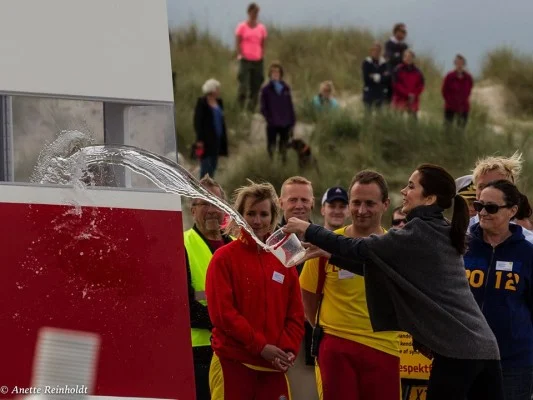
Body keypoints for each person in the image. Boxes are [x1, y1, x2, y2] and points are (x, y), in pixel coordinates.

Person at [284, 164, 504, 400]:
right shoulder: (439, 228)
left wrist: (309, 228)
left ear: (429, 198)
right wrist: (331, 255)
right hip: (485, 350)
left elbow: (360, 248)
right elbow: (382, 271)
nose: (404, 191)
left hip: (459, 352)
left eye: (411, 186)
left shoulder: (418, 231)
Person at [301, 171, 401, 400]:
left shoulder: (396, 249)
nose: (361, 210)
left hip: (384, 349)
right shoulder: (324, 244)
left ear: (385, 204)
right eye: (356, 202)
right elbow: (308, 298)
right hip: (337, 349)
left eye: (370, 203)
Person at [205, 181, 305, 399]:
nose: (257, 221)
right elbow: (223, 314)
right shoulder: (223, 258)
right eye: (251, 213)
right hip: (233, 363)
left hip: (273, 368)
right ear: (239, 215)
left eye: (263, 214)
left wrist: (287, 350)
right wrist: (260, 347)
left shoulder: (283, 259)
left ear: (273, 218)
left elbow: (296, 314)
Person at [465, 180, 533, 400]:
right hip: (464, 357)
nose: (482, 213)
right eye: (478, 206)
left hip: (513, 362)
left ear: (512, 210)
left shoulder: (527, 253)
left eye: (491, 208)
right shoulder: (461, 247)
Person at [184, 176, 233, 400]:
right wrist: (227, 323)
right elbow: (184, 307)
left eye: (217, 203)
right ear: (193, 210)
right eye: (205, 203)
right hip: (200, 353)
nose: (213, 209)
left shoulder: (236, 246)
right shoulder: (181, 244)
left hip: (236, 351)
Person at [278, 176, 319, 400]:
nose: (299, 205)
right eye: (293, 199)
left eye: (304, 199)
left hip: (314, 339)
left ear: (313, 203)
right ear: (280, 202)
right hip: (279, 340)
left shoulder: (326, 240)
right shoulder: (267, 241)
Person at [470, 153, 533, 243]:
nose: (487, 191)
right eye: (481, 186)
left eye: (496, 186)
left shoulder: (528, 242)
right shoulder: (460, 236)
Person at [260, 62, 296, 163]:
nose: (275, 74)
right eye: (273, 72)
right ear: (270, 74)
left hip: (286, 123)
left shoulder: (285, 88)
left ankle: (282, 166)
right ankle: (271, 165)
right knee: (271, 146)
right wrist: (269, 119)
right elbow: (263, 108)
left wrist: (292, 121)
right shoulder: (266, 89)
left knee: (283, 147)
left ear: (281, 74)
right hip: (273, 123)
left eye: (277, 72)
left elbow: (290, 106)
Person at [235, 2, 267, 112]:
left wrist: (262, 54)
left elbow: (263, 42)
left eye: (257, 13)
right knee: (243, 85)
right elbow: (238, 42)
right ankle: (239, 108)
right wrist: (240, 54)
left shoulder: (262, 28)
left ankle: (251, 110)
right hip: (245, 60)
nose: (255, 15)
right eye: (253, 12)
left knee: (256, 85)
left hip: (258, 60)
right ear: (249, 12)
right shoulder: (241, 26)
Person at [193, 79, 229, 178]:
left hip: (217, 140)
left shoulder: (219, 102)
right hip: (206, 141)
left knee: (213, 166)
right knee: (205, 167)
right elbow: (198, 122)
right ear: (212, 90)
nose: (219, 91)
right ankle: (202, 190)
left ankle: (210, 190)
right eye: (217, 89)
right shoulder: (202, 103)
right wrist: (200, 139)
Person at [442, 54, 474, 128]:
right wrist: (449, 101)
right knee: (447, 128)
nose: (459, 65)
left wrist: (463, 99)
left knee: (461, 129)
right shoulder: (449, 76)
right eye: (457, 63)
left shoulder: (468, 77)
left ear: (464, 64)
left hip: (463, 106)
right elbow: (444, 90)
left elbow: (470, 89)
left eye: (461, 63)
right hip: (450, 106)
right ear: (455, 63)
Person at [392, 50, 425, 118]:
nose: (408, 58)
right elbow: (395, 84)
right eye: (406, 56)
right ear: (403, 58)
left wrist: (414, 94)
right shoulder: (398, 69)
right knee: (397, 121)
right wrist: (407, 94)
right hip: (400, 99)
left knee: (413, 122)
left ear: (413, 58)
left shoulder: (418, 72)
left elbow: (421, 85)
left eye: (410, 56)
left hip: (413, 101)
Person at [384, 23, 409, 104]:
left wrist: (398, 57)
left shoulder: (404, 46)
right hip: (391, 74)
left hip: (401, 75)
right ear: (395, 32)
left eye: (405, 32)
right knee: (388, 97)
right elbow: (390, 58)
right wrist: (400, 58)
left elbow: (406, 60)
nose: (403, 34)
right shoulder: (389, 43)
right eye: (402, 31)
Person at [362, 43, 388, 111]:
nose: (376, 52)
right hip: (369, 91)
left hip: (380, 91)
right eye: (374, 50)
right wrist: (380, 76)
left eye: (378, 50)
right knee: (368, 112)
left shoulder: (383, 63)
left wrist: (374, 76)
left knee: (379, 113)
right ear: (371, 51)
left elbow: (386, 78)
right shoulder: (367, 62)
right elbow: (366, 78)